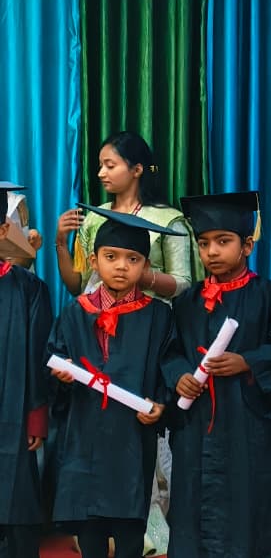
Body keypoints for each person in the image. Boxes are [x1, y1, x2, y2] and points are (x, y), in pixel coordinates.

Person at [164, 191, 271, 557]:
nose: (212, 252)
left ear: (247, 245)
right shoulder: (186, 303)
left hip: (248, 427)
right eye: (204, 243)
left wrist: (248, 361)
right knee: (193, 511)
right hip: (197, 427)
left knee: (249, 511)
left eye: (223, 241)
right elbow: (170, 352)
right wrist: (179, 375)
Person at [46, 204, 177, 558]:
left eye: (133, 259)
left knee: (131, 536)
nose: (121, 266)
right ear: (93, 261)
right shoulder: (75, 313)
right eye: (111, 256)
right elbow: (54, 364)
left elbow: (168, 369)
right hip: (84, 436)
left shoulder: (159, 316)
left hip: (131, 440)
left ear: (146, 267)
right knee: (90, 535)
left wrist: (162, 405)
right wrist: (62, 376)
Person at [53, 131, 198, 301]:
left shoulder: (168, 220)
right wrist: (61, 242)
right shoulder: (94, 217)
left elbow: (183, 285)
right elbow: (78, 287)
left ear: (137, 170)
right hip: (99, 313)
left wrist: (140, 275)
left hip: (149, 314)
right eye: (100, 166)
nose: (101, 173)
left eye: (110, 166)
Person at [0, 181, 54, 558]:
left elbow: (40, 356)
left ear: (4, 229)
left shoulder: (29, 289)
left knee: (17, 505)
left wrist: (36, 418)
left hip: (13, 421)